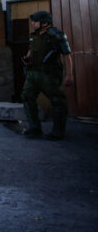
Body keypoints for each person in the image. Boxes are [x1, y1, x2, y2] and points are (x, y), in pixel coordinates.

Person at [21, 10, 74, 140]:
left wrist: (69, 74)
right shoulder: (35, 35)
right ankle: (35, 128)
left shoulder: (56, 35)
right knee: (27, 97)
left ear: (45, 23)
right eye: (33, 21)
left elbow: (67, 55)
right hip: (33, 72)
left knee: (57, 101)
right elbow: (32, 49)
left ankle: (57, 132)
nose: (33, 24)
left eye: (35, 22)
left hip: (49, 74)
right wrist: (27, 58)